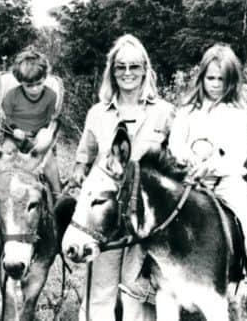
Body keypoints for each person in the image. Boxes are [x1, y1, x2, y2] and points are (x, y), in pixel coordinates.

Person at [69, 34, 175, 321]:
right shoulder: (97, 114)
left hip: (145, 220)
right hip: (105, 217)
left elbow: (174, 163)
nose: (127, 73)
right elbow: (84, 156)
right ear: (112, 72)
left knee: (137, 292)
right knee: (100, 290)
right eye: (121, 67)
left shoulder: (164, 113)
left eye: (134, 67)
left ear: (145, 69)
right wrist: (78, 174)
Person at [168, 43, 247, 283]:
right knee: (160, 216)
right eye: (210, 78)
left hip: (225, 182)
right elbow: (176, 142)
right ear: (202, 77)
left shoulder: (237, 113)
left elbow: (238, 151)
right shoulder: (188, 110)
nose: (214, 84)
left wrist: (212, 165)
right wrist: (187, 158)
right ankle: (153, 277)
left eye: (220, 79)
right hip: (190, 180)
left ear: (230, 81)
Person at [0, 49, 63, 198]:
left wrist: (39, 133)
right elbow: (7, 118)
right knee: (6, 152)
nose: (35, 89)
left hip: (37, 135)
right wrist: (14, 130)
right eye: (29, 85)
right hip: (15, 136)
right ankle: (0, 188)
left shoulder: (50, 96)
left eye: (39, 84)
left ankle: (57, 192)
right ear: (20, 82)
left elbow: (49, 119)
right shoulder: (12, 95)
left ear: (45, 77)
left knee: (47, 154)